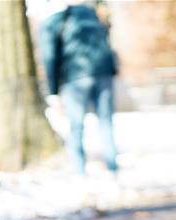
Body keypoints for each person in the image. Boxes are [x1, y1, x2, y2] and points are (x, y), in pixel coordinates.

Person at [39, 1, 118, 176]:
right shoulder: (92, 16)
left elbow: (49, 57)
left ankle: (80, 173)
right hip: (103, 73)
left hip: (75, 77)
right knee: (105, 123)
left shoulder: (52, 22)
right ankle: (113, 172)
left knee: (76, 127)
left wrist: (52, 91)